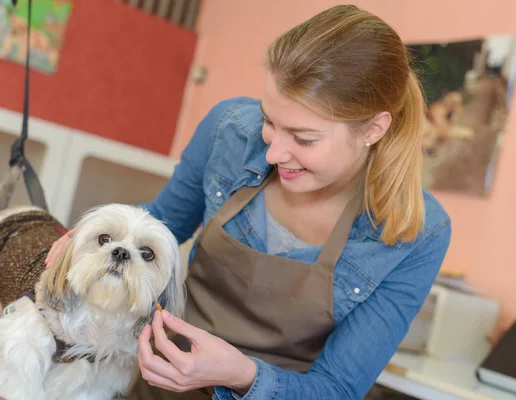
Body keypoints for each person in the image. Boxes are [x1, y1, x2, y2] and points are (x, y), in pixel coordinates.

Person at [45, 5, 451, 399]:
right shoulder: (230, 132)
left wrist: (242, 376)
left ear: (374, 129)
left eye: (304, 138)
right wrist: (89, 243)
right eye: (270, 122)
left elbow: (338, 389)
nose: (273, 153)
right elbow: (160, 225)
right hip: (154, 386)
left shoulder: (419, 233)